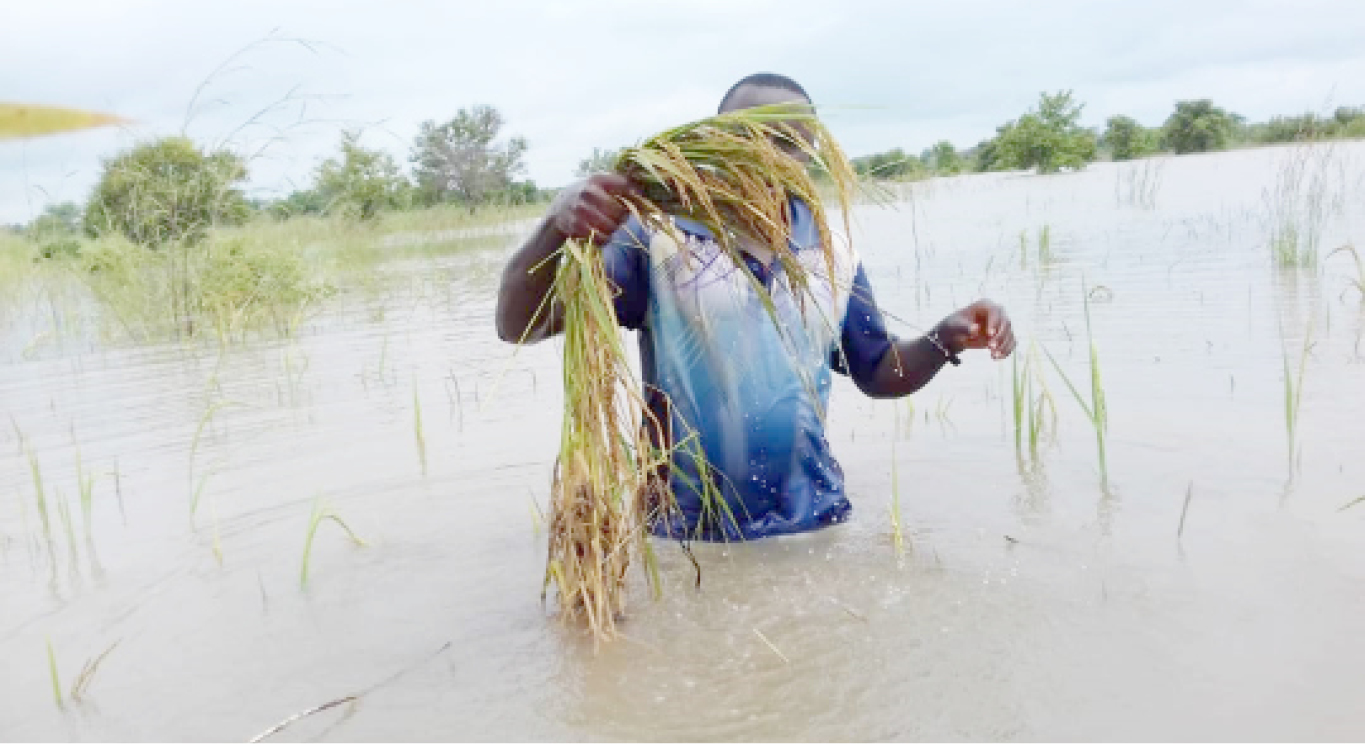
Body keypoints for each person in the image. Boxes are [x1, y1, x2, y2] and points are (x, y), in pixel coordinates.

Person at [496, 73, 1016, 540]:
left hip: (816, 520)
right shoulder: (656, 240)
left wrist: (943, 338)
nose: (769, 157)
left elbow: (878, 372)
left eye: (791, 143)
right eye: (747, 139)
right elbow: (518, 326)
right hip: (686, 535)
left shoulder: (832, 252)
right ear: (714, 147)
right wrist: (555, 224)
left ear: (812, 153)